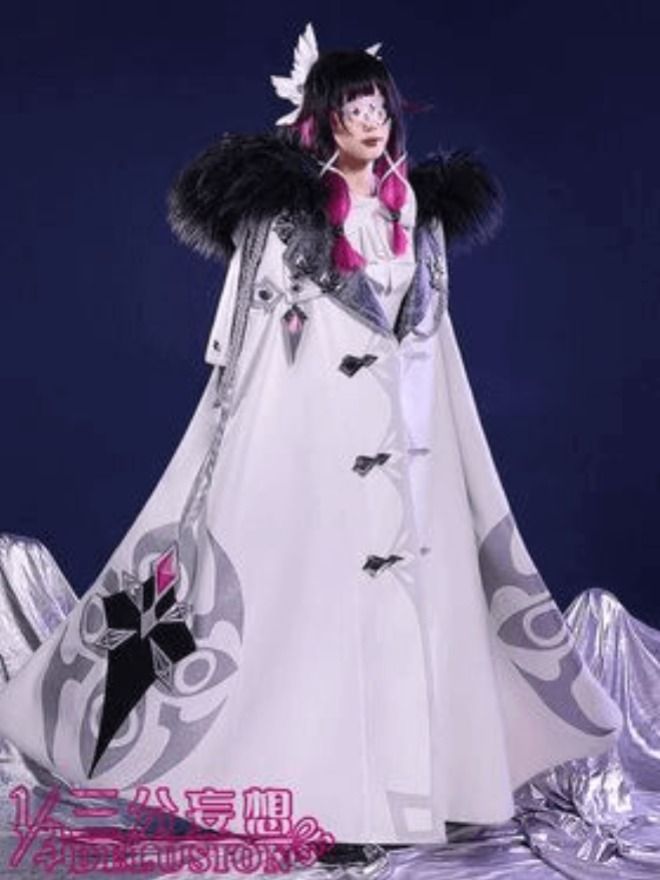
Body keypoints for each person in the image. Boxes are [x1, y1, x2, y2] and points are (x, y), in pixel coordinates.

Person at [0, 21, 622, 871]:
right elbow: (245, 340)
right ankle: (332, 799)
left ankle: (427, 791)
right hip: (314, 438)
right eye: (355, 108)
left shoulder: (417, 217)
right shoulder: (286, 218)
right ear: (324, 118)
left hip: (412, 448)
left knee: (420, 609)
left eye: (379, 107)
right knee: (318, 614)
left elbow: (433, 343)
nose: (371, 121)